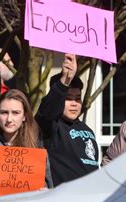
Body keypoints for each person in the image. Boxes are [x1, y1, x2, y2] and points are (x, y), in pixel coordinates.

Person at [0, 89, 53, 199]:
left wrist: (45, 193)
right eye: (4, 112)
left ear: (25, 116)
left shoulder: (37, 148)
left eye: (15, 113)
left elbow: (49, 186)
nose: (9, 119)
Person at [35, 53, 99, 187]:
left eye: (77, 98)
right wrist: (65, 80)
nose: (74, 103)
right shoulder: (51, 126)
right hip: (64, 200)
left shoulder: (87, 130)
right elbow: (47, 111)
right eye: (68, 98)